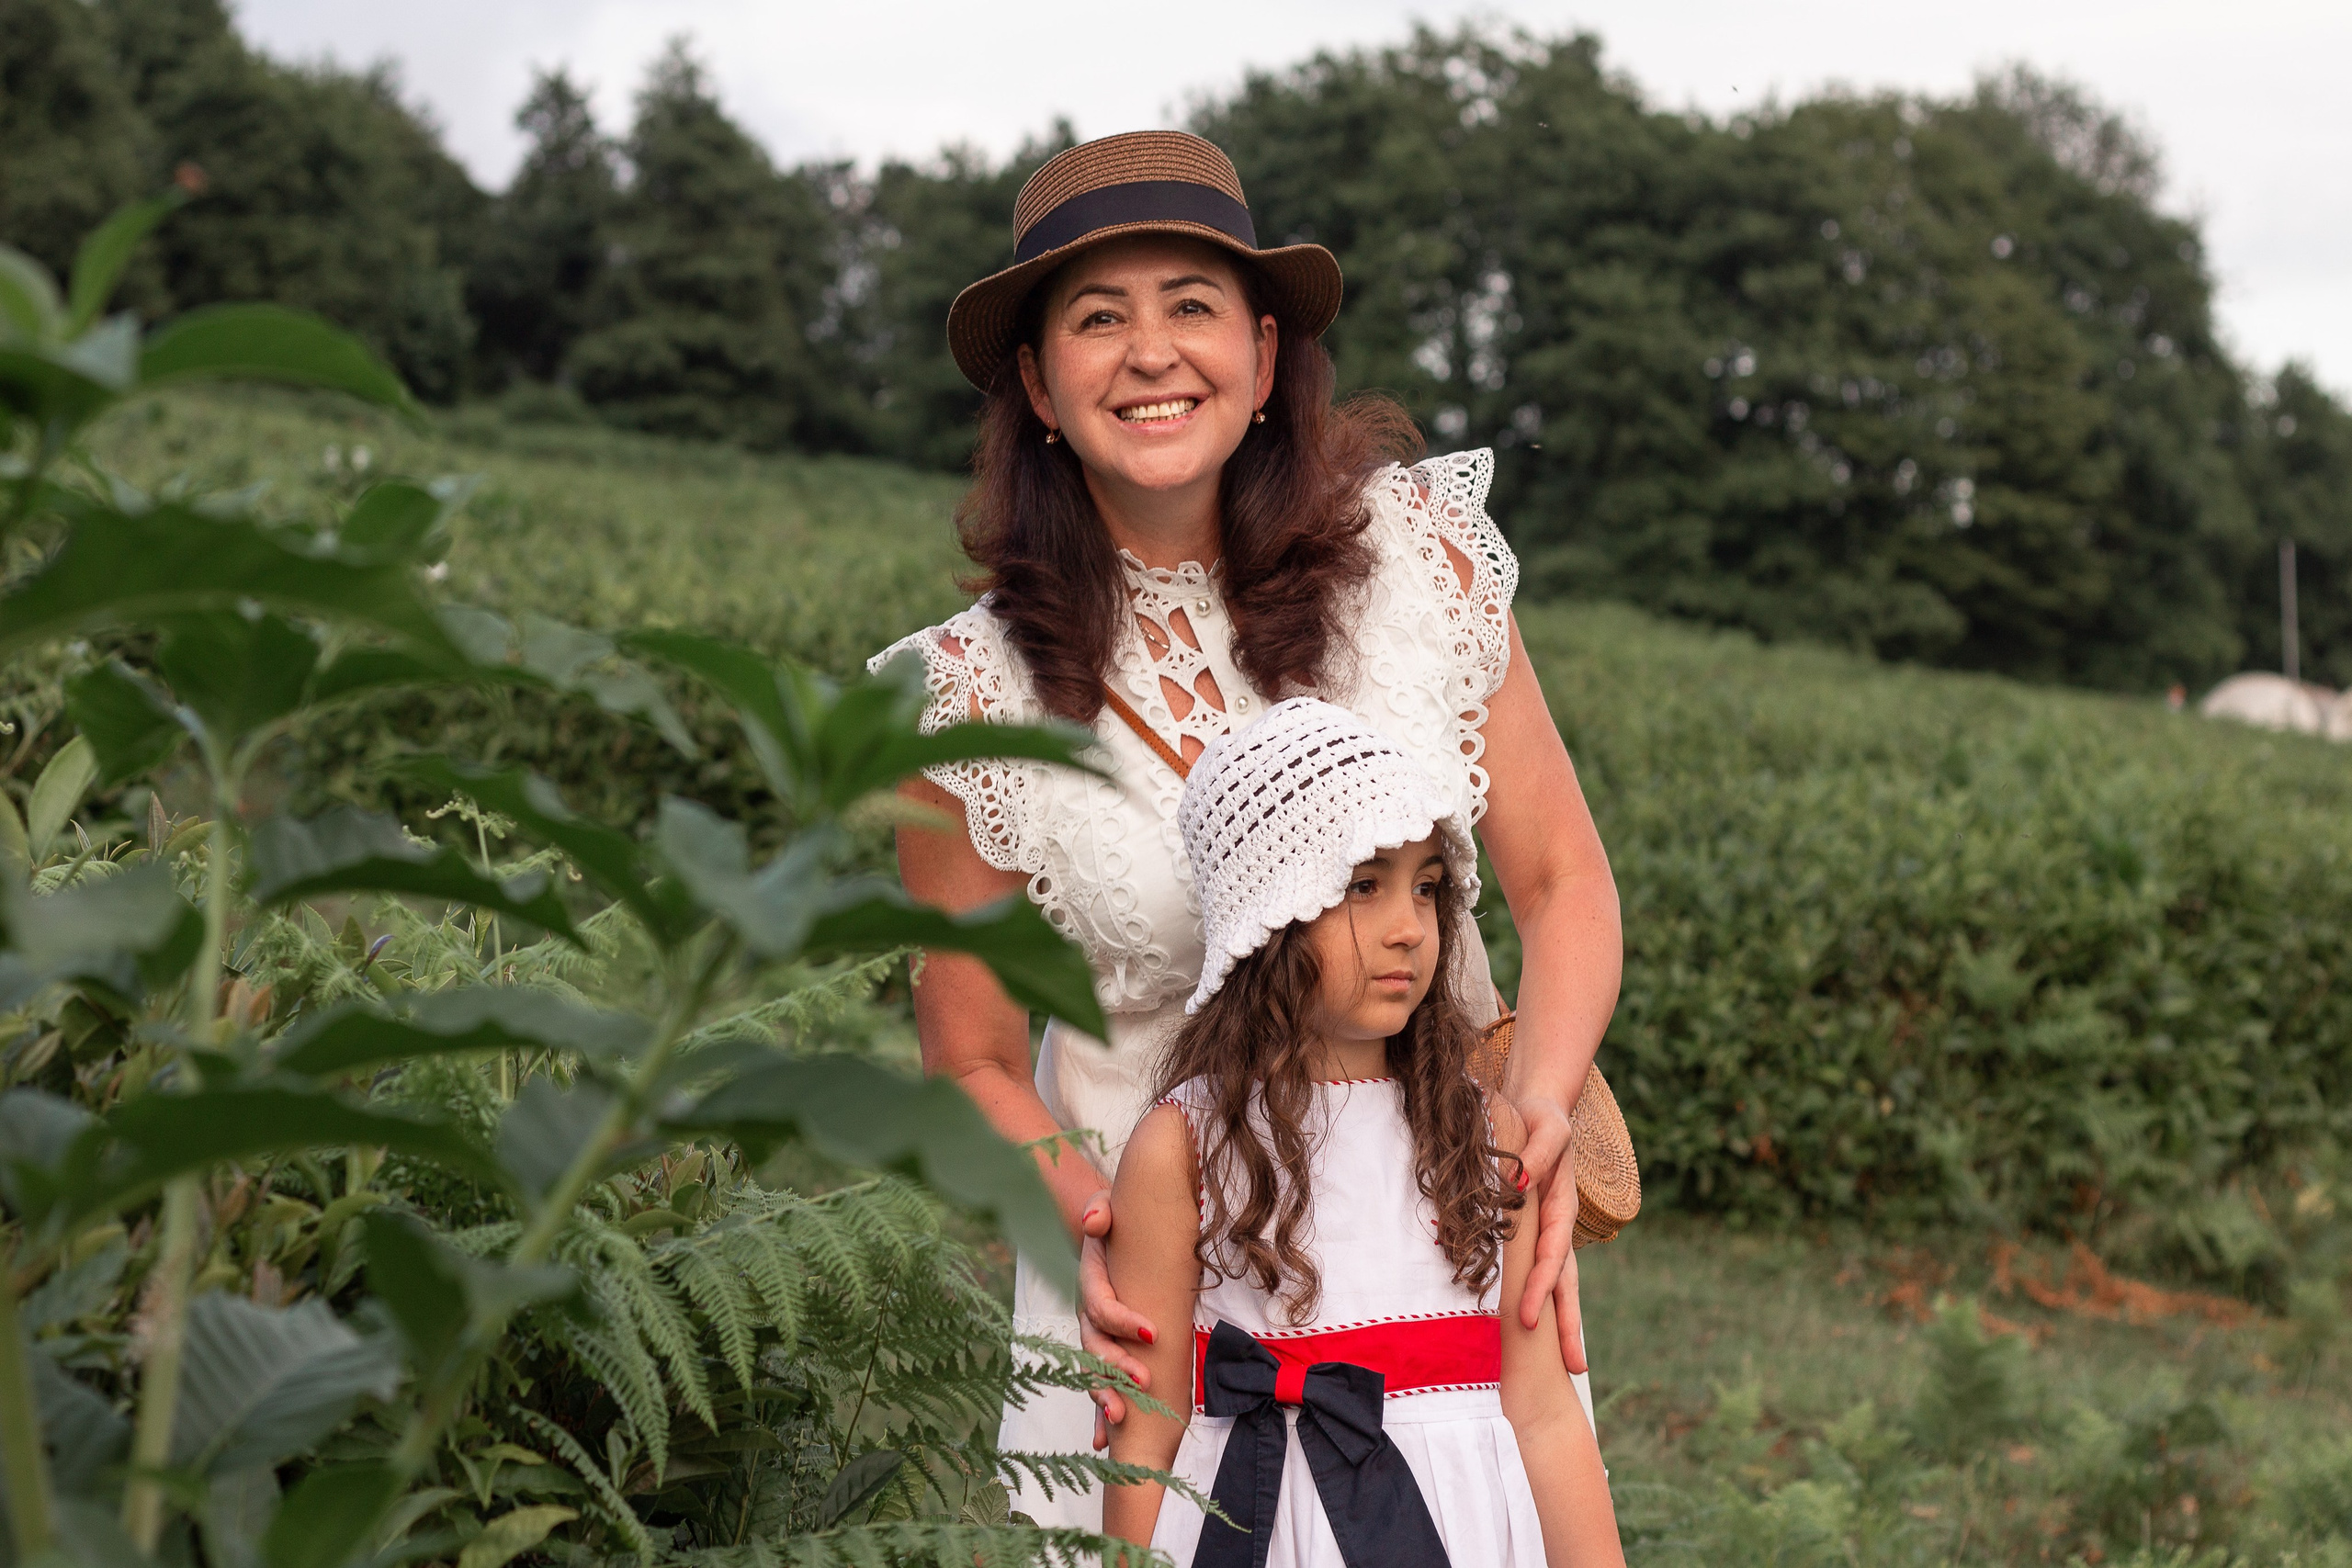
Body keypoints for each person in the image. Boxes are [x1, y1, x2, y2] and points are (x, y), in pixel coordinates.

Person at [872, 130, 1623, 1528]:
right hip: (1163, 1300)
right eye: (1098, 318)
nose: (1151, 352)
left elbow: (1565, 878)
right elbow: (968, 1054)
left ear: (1266, 356)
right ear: (1038, 381)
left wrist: (1540, 1116)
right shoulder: (972, 697)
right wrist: (1087, 1231)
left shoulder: (1424, 566)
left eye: (1191, 306)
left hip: (1439, 1237)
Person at [1103, 699, 1622, 1567]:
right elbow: (1144, 1436)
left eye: (1426, 886)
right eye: (1364, 884)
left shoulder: (1484, 1134)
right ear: (1270, 914)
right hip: (1260, 1524)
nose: (1409, 927)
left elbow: (1543, 1413)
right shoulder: (1182, 1147)